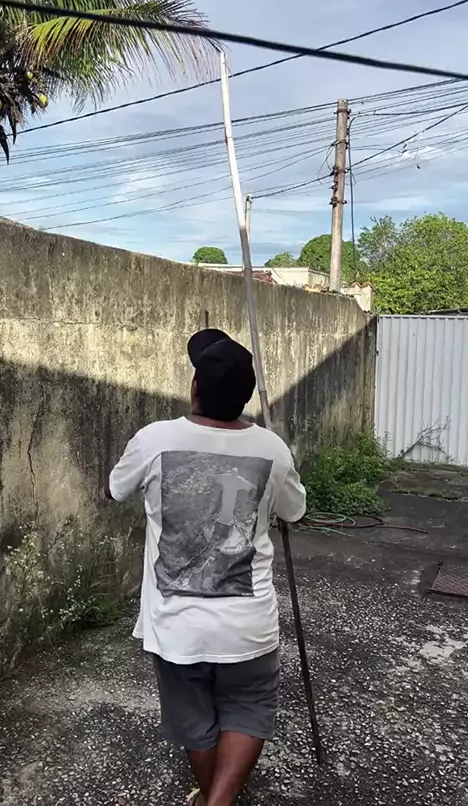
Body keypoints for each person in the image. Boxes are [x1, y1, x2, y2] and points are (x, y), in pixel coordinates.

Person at [106, 329, 306, 806]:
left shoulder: (153, 439)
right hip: (248, 623)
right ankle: (221, 800)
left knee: (194, 718)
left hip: (176, 626)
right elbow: (295, 511)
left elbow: (115, 489)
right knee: (249, 707)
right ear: (247, 396)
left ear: (195, 387)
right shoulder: (273, 448)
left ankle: (209, 800)